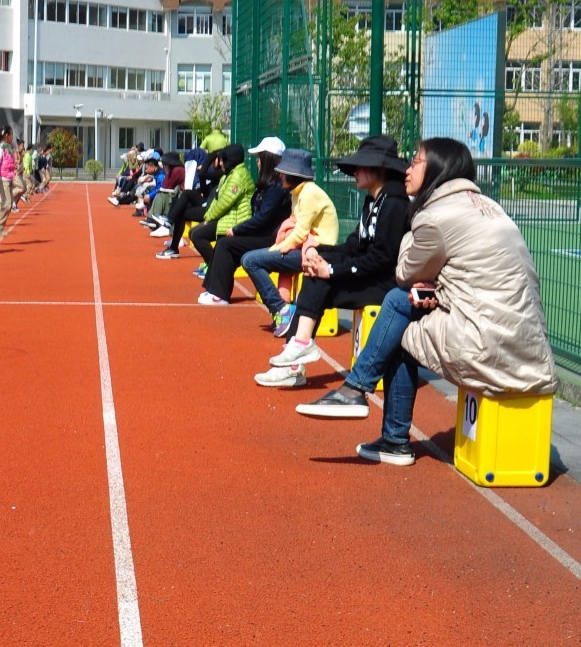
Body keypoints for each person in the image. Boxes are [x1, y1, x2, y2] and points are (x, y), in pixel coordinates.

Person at [294, 137, 559, 465]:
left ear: (437, 168)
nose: (407, 168)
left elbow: (404, 270)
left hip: (486, 339)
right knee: (400, 306)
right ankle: (361, 398)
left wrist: (410, 218)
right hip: (521, 338)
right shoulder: (487, 205)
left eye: (416, 161)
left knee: (398, 328)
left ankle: (379, 420)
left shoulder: (435, 215)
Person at [255, 135, 411, 388]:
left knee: (321, 277)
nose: (355, 172)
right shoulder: (374, 199)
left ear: (378, 169)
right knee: (317, 271)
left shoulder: (394, 202)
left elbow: (382, 258)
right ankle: (297, 351)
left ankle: (296, 357)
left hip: (386, 284)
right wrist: (319, 251)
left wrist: (332, 269)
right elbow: (354, 245)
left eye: (361, 166)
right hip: (370, 273)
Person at [240, 148, 340, 335]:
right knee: (254, 259)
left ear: (293, 175)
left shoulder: (309, 193)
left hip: (316, 251)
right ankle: (282, 307)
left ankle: (281, 309)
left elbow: (300, 233)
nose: (279, 175)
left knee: (250, 260)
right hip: (306, 247)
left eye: (283, 172)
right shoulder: (298, 192)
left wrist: (277, 248)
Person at [197, 138, 289, 305]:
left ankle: (219, 293)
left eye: (260, 157)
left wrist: (238, 229)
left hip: (271, 239)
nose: (257, 162)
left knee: (226, 244)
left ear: (268, 160)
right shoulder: (268, 185)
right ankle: (212, 288)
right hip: (263, 234)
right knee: (225, 242)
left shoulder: (276, 188)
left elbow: (263, 218)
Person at [185, 144, 255, 273]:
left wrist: (209, 218)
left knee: (198, 235)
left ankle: (215, 269)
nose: (221, 163)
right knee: (194, 232)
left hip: (236, 220)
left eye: (223, 160)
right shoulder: (228, 175)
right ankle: (211, 265)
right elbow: (216, 200)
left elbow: (224, 203)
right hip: (226, 217)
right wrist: (208, 217)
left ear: (231, 161)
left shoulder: (237, 177)